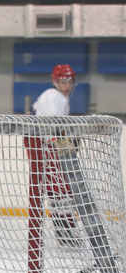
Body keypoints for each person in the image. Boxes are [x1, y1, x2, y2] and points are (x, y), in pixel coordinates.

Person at [31, 64, 80, 246]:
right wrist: (68, 144)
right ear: (55, 82)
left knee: (59, 187)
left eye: (70, 82)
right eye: (63, 81)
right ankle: (65, 230)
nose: (67, 85)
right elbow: (54, 126)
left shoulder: (58, 97)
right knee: (61, 186)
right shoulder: (52, 96)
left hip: (46, 142)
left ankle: (64, 229)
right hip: (43, 142)